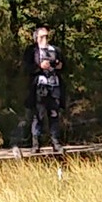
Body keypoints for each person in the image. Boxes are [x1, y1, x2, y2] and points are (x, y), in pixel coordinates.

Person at [27, 23, 64, 155]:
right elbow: (27, 68)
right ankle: (36, 144)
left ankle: (56, 143)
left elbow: (64, 65)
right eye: (42, 36)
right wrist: (40, 67)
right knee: (39, 116)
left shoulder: (55, 50)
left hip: (54, 86)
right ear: (36, 37)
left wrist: (59, 65)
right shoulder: (32, 51)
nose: (45, 39)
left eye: (46, 36)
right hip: (39, 87)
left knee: (54, 115)